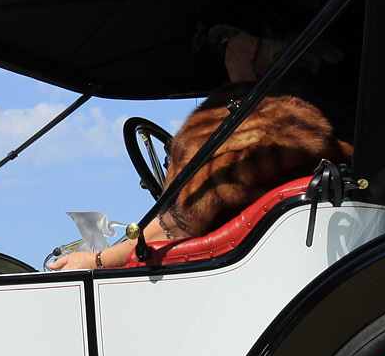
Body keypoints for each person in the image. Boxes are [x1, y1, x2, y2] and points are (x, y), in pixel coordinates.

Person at [50, 20, 349, 271]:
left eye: (224, 41)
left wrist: (95, 260)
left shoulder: (260, 119)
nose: (224, 55)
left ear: (253, 45)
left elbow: (175, 228)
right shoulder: (323, 110)